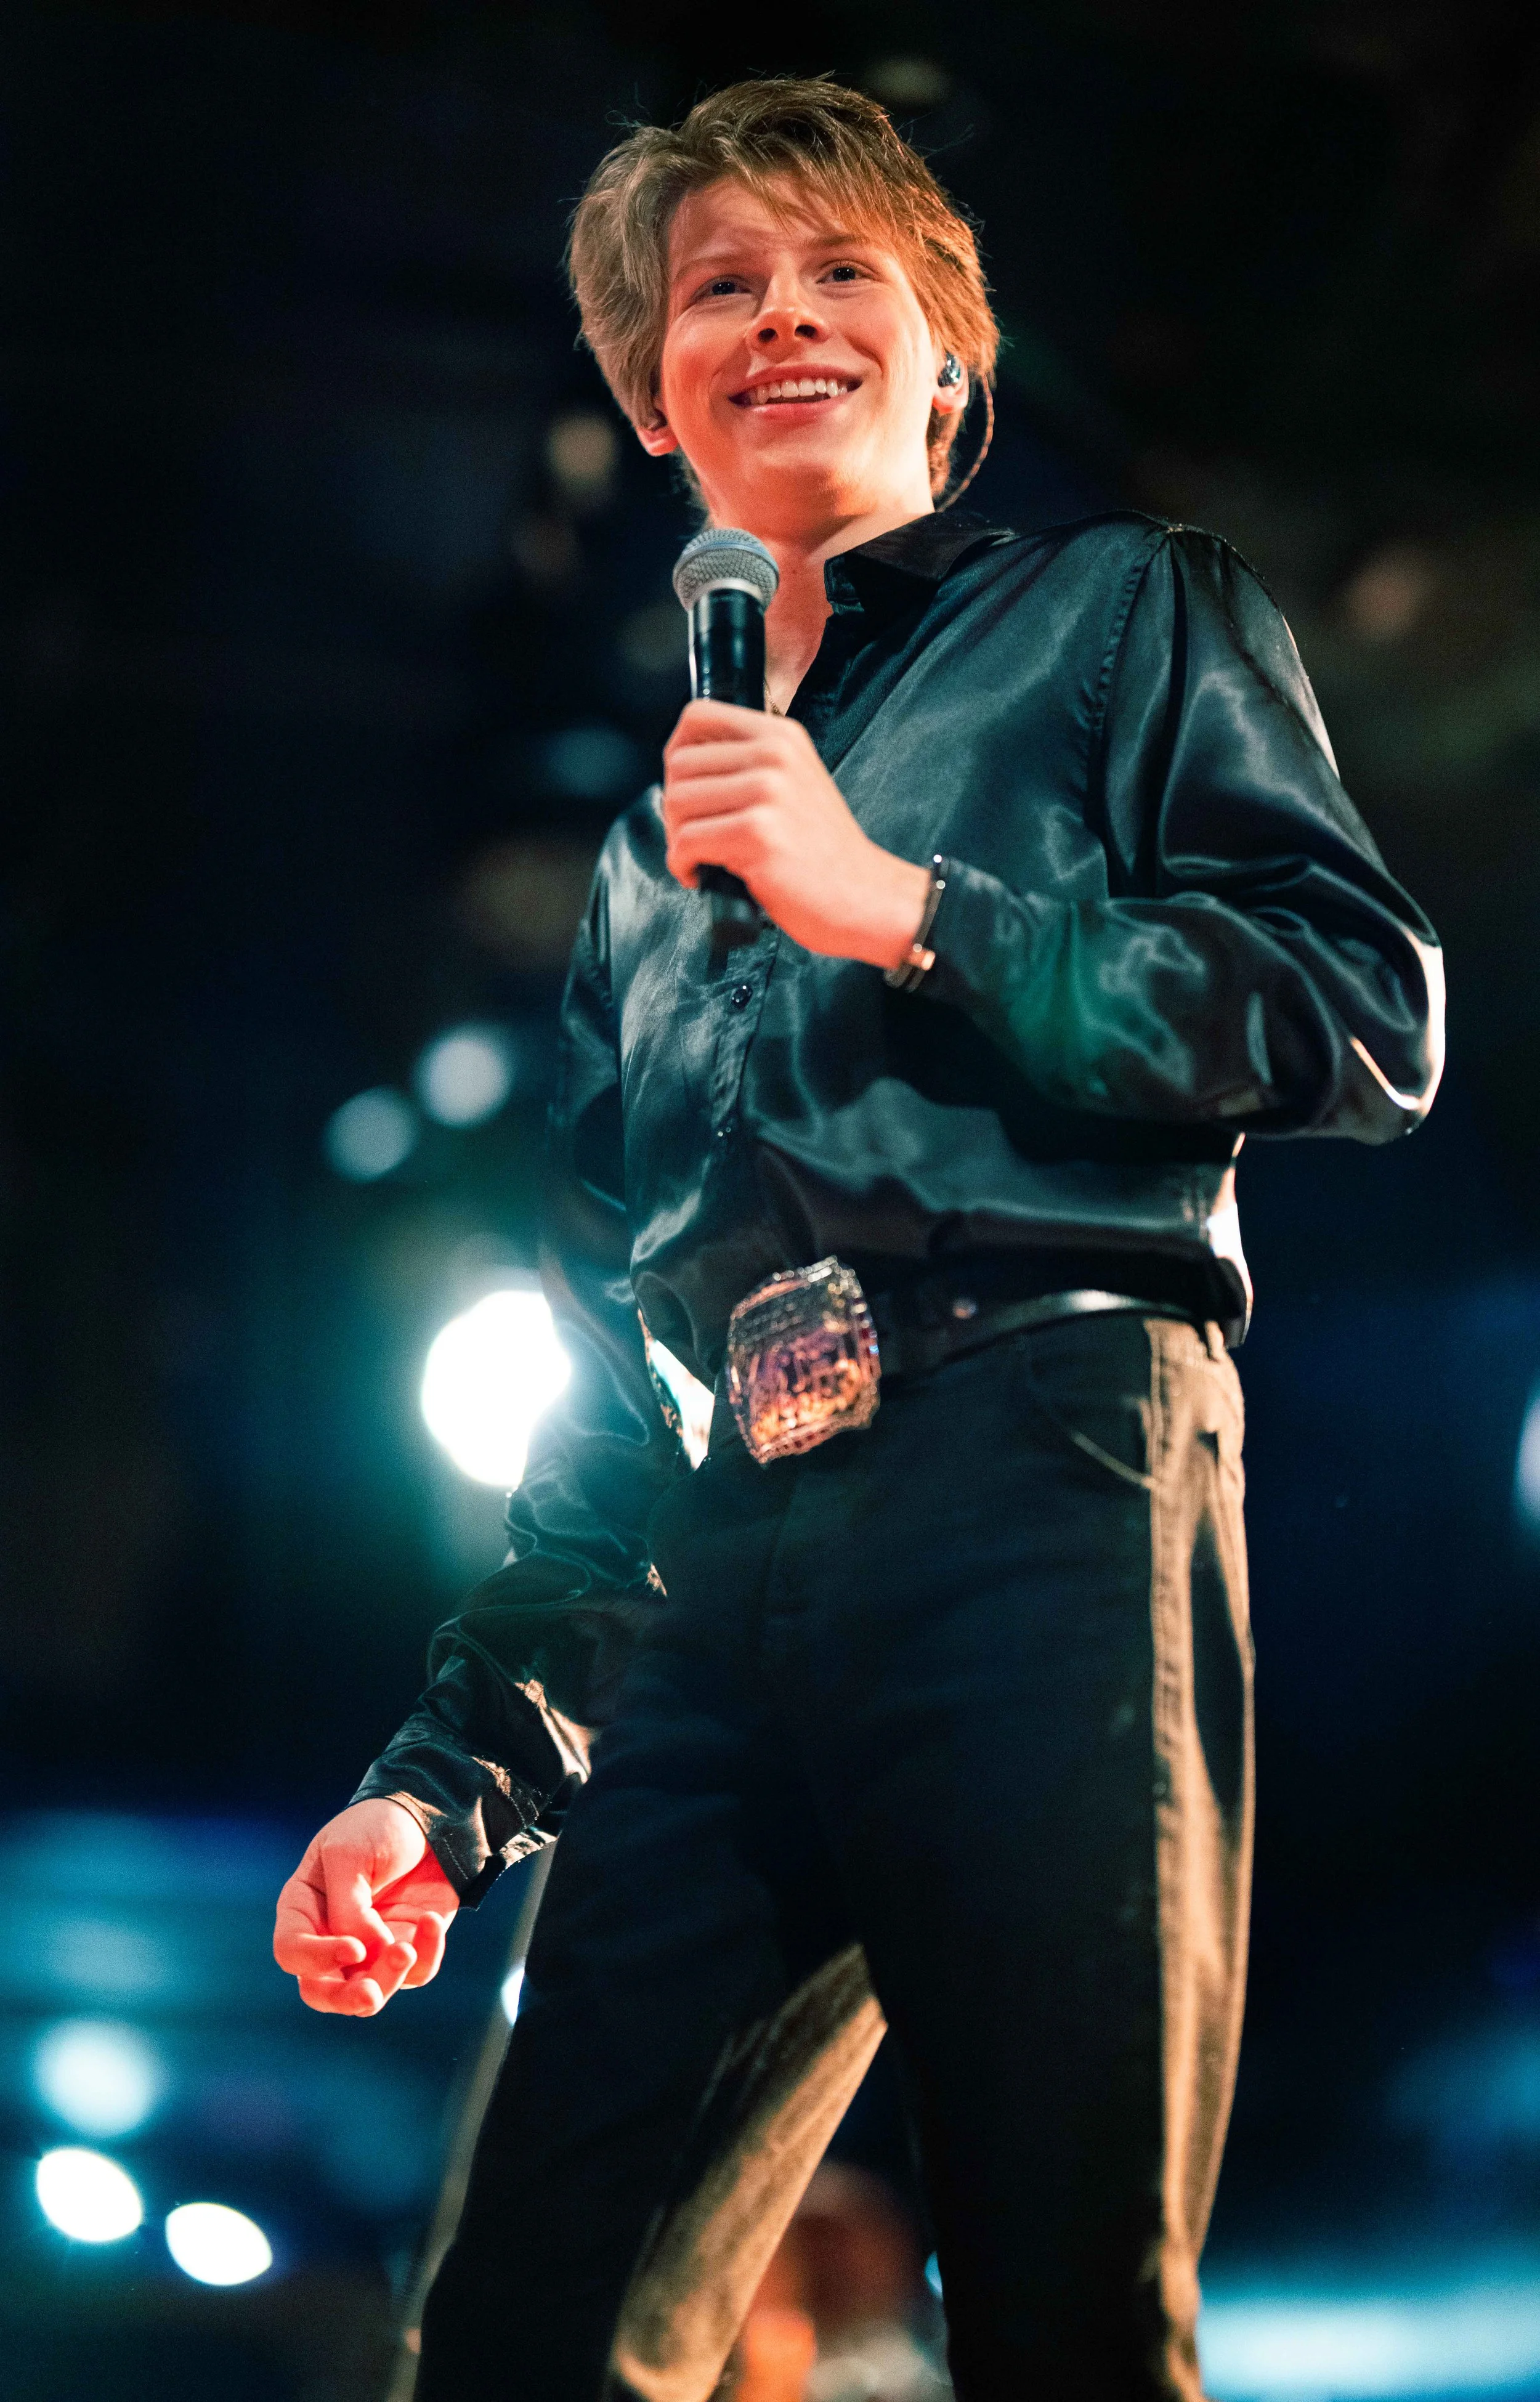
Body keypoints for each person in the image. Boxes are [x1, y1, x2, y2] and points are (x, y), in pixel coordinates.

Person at [273, 77, 1443, 2402]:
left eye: (843, 277)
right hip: (732, 1555)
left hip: (1048, 1464)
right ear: (650, 397)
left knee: (1052, 2306)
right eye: (719, 290)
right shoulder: (643, 861)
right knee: (511, 2335)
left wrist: (906, 909)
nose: (780, 317)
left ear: (947, 362)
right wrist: (444, 1774)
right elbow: (615, 1389)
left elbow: (1355, 1008)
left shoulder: (1121, 616)